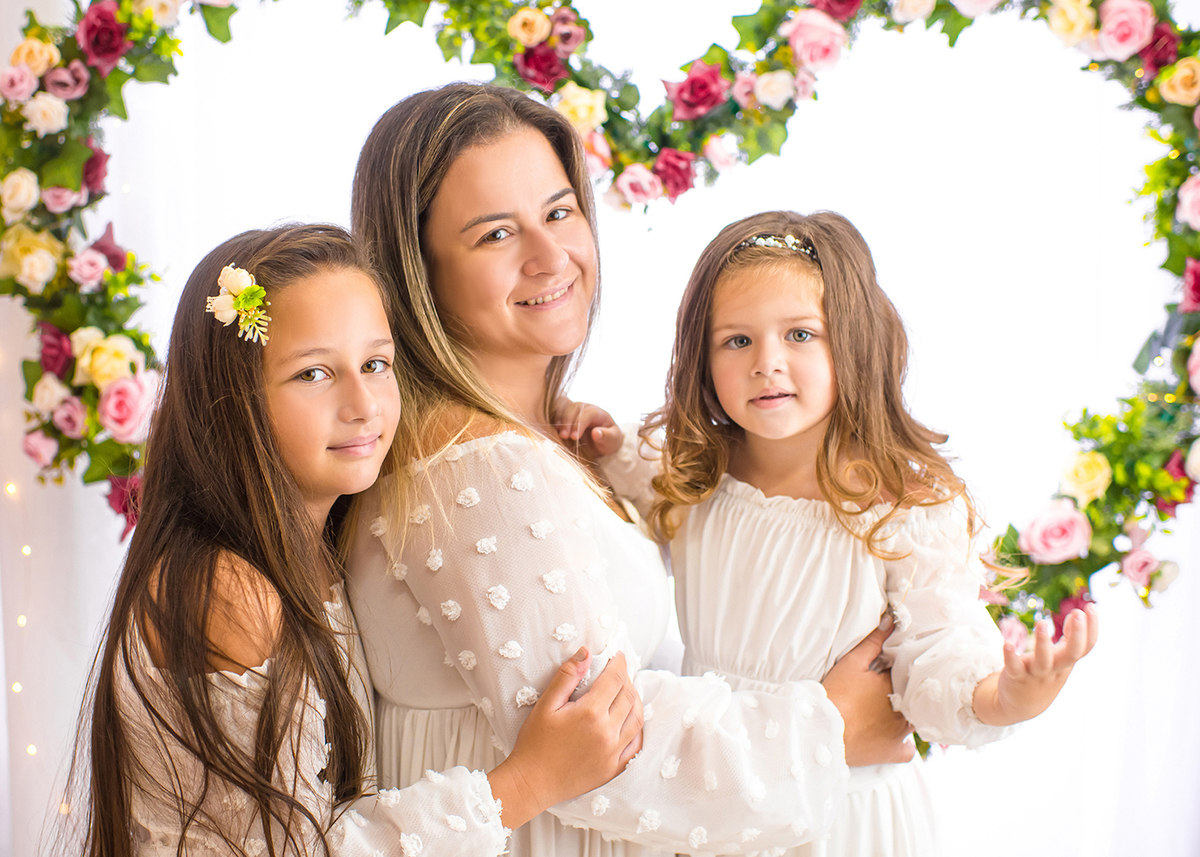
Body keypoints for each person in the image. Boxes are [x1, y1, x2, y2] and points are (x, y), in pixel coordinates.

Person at [346, 83, 915, 857]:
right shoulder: (475, 469)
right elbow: (603, 745)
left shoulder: (538, 442)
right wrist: (834, 725)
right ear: (421, 270)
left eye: (558, 212)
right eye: (494, 235)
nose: (551, 257)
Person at [64, 224, 644, 857]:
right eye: (314, 373)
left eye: (375, 364)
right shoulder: (228, 590)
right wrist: (527, 782)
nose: (364, 403)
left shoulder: (319, 547)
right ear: (234, 401)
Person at [578, 209, 1101, 856]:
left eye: (800, 333)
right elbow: (623, 483)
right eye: (737, 341)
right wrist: (594, 438)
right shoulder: (694, 475)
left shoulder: (901, 506)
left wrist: (1007, 695)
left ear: (851, 344)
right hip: (719, 788)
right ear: (701, 357)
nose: (767, 363)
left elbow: (939, 653)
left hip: (844, 814)